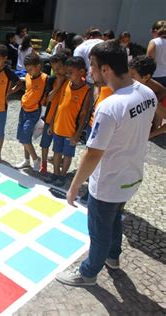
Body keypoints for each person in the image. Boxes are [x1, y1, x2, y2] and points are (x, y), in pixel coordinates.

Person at [57, 40, 157, 287]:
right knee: (114, 219)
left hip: (108, 182)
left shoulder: (109, 106)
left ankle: (88, 272)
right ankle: (113, 257)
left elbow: (92, 154)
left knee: (99, 231)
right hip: (131, 176)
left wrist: (74, 187)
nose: (90, 71)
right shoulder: (147, 93)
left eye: (92, 66)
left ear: (106, 70)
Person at [48, 57, 92, 186]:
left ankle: (62, 176)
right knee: (56, 151)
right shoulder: (66, 84)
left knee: (67, 155)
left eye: (71, 72)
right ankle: (55, 173)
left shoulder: (87, 91)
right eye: (67, 72)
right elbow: (58, 104)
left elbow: (84, 115)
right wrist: (51, 123)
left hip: (71, 131)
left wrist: (77, 134)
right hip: (58, 127)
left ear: (81, 72)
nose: (68, 75)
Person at [15, 53, 47, 170]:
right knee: (24, 137)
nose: (28, 72)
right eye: (27, 70)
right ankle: (26, 160)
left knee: (24, 137)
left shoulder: (45, 78)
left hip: (34, 111)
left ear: (38, 66)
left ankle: (35, 159)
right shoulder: (28, 76)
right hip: (23, 109)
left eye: (30, 69)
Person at [40, 52, 69, 174]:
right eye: (54, 69)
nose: (56, 71)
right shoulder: (52, 80)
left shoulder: (71, 81)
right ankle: (44, 164)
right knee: (45, 143)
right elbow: (49, 99)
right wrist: (58, 85)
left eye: (59, 68)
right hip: (50, 116)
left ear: (66, 66)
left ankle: (59, 167)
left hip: (63, 120)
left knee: (59, 148)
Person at [128, 55, 166, 138]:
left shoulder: (149, 93)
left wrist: (150, 135)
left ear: (146, 77)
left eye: (132, 76)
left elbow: (162, 91)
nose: (127, 78)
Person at [147, 21, 166, 86]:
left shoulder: (154, 42)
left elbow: (148, 61)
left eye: (152, 32)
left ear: (155, 31)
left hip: (154, 76)